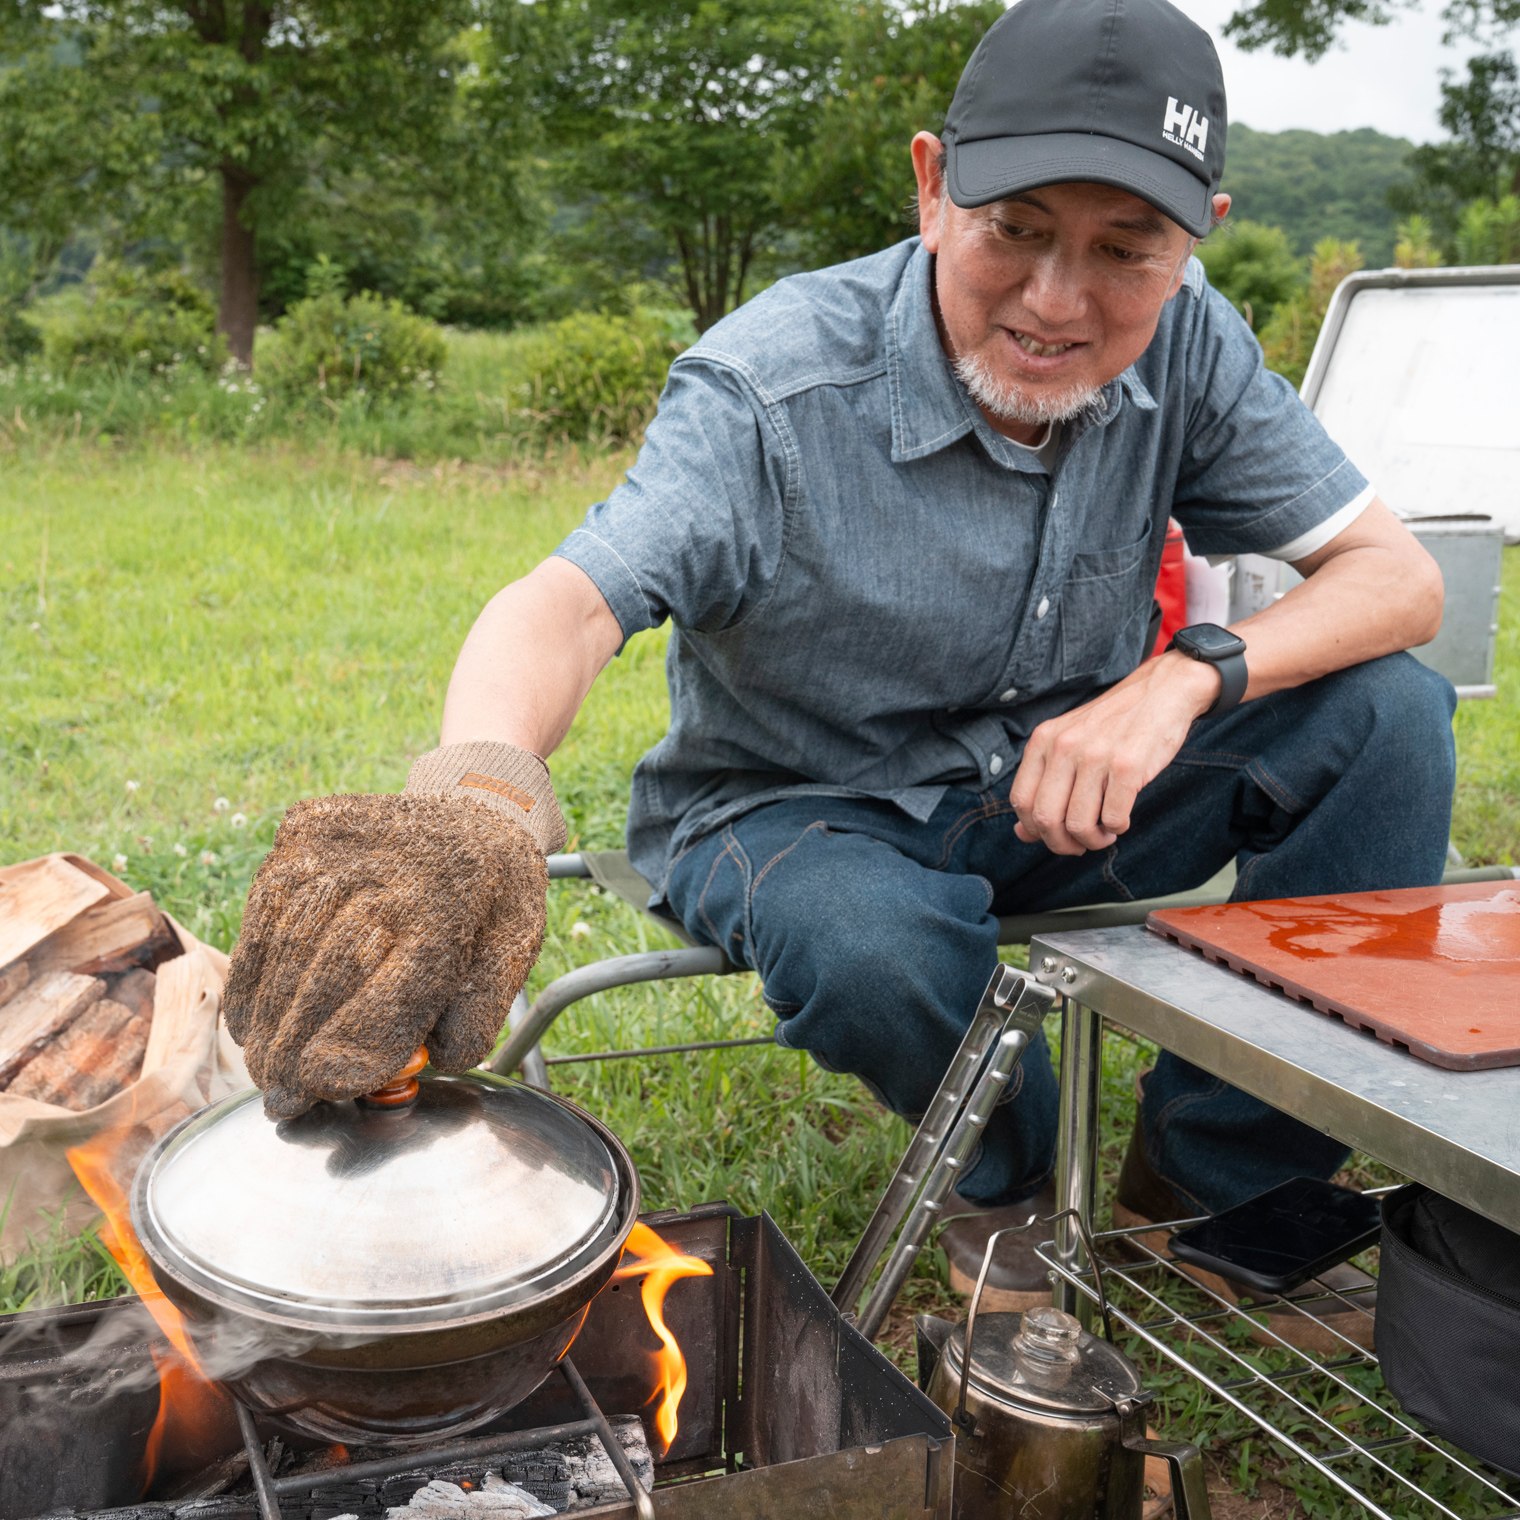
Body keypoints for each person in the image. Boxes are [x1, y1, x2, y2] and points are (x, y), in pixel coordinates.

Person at [224, 0, 1451, 1347]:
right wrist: (476, 801)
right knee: (874, 945)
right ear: (933, 185)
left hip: (1062, 790)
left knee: (1391, 712)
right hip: (798, 808)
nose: (1060, 299)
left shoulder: (1192, 339)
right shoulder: (772, 388)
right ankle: (1019, 1192)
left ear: (1192, 236)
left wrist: (1182, 682)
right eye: (1018, 228)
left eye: (1126, 251)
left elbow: (1401, 582)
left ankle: (1216, 1199)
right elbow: (565, 604)